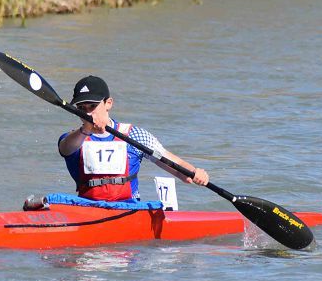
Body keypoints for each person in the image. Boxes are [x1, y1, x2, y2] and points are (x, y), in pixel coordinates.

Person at [58, 75, 209, 202]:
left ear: (108, 103)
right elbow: (65, 149)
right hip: (88, 209)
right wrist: (86, 129)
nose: (88, 113)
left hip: (129, 208)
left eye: (92, 106)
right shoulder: (73, 139)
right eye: (81, 108)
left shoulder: (134, 135)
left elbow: (176, 168)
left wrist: (194, 173)